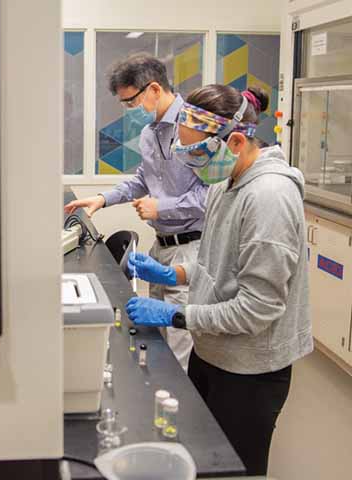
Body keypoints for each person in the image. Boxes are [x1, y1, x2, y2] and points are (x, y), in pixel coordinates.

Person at [125, 85, 312, 475]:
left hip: (250, 369)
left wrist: (178, 316)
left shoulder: (269, 197)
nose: (193, 166)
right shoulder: (224, 183)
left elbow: (257, 308)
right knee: (201, 456)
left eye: (197, 154)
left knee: (232, 469)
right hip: (212, 353)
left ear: (236, 141)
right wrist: (174, 272)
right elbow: (221, 261)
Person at [63, 53, 206, 370]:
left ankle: (177, 414)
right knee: (157, 341)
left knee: (181, 350)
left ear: (154, 89)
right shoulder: (150, 132)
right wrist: (103, 199)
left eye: (132, 101)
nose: (131, 110)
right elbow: (144, 178)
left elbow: (213, 195)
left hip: (193, 249)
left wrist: (161, 206)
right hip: (162, 246)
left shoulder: (194, 128)